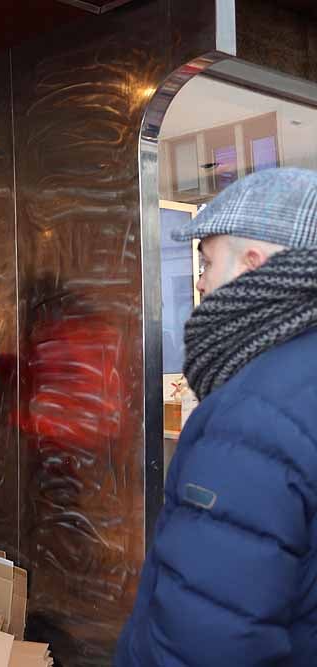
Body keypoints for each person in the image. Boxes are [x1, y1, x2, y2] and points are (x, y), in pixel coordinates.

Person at [116, 168, 317, 666]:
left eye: (207, 262)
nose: (201, 282)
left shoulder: (254, 415)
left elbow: (209, 634)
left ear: (253, 264)